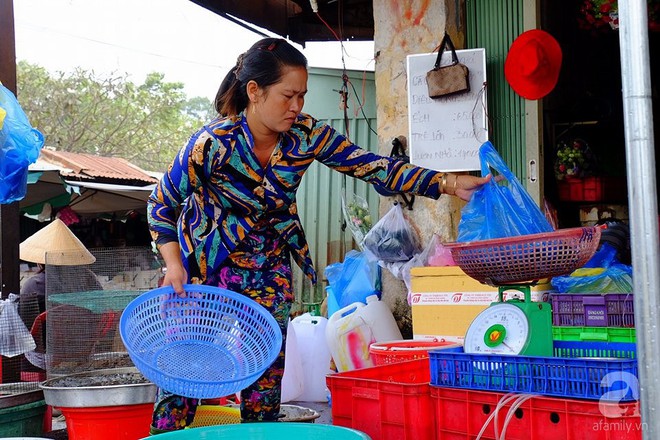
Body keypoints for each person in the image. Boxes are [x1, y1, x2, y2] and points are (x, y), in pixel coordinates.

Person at [146, 37, 491, 434]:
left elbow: (373, 166)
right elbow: (161, 204)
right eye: (288, 95)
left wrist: (447, 182)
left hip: (268, 268)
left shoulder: (307, 135)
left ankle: (258, 432)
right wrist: (173, 265)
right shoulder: (211, 144)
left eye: (302, 96)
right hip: (204, 271)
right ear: (254, 92)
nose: (297, 106)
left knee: (265, 371)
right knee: (184, 372)